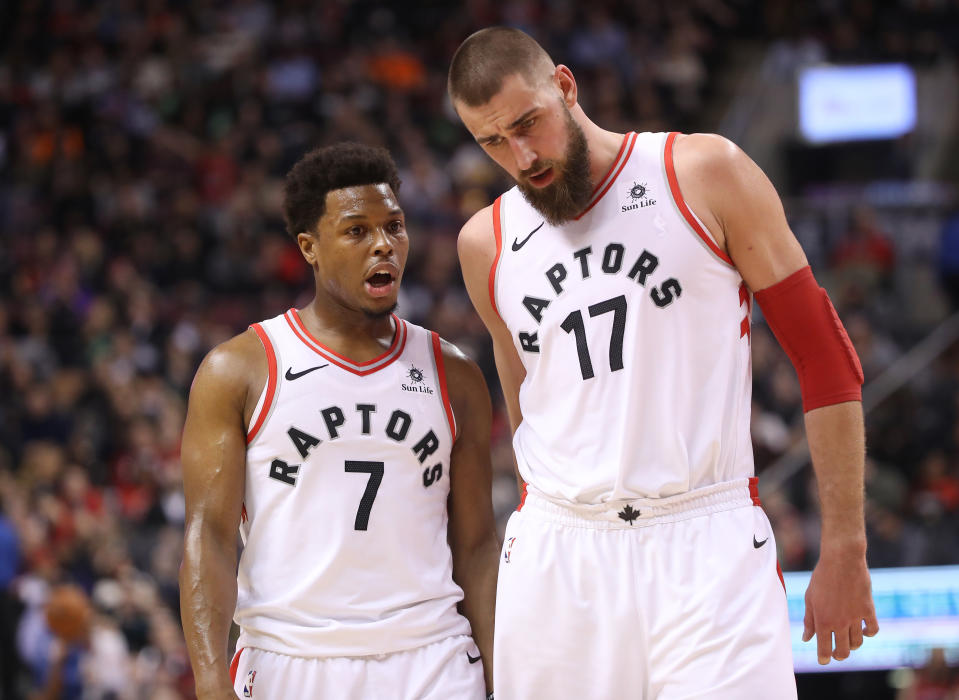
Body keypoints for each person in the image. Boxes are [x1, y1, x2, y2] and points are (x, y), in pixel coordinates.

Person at [448, 27, 879, 699]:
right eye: (492, 142)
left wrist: (845, 546)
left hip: (704, 543)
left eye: (528, 123)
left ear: (565, 85)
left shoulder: (702, 172)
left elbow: (825, 358)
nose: (521, 154)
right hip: (560, 555)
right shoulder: (485, 243)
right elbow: (526, 401)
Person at [179, 142, 498, 699]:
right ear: (310, 247)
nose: (384, 245)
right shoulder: (240, 369)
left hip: (433, 659)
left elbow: (475, 546)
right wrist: (209, 681)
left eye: (394, 226)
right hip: (291, 659)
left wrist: (505, 677)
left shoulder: (456, 374)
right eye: (357, 231)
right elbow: (209, 535)